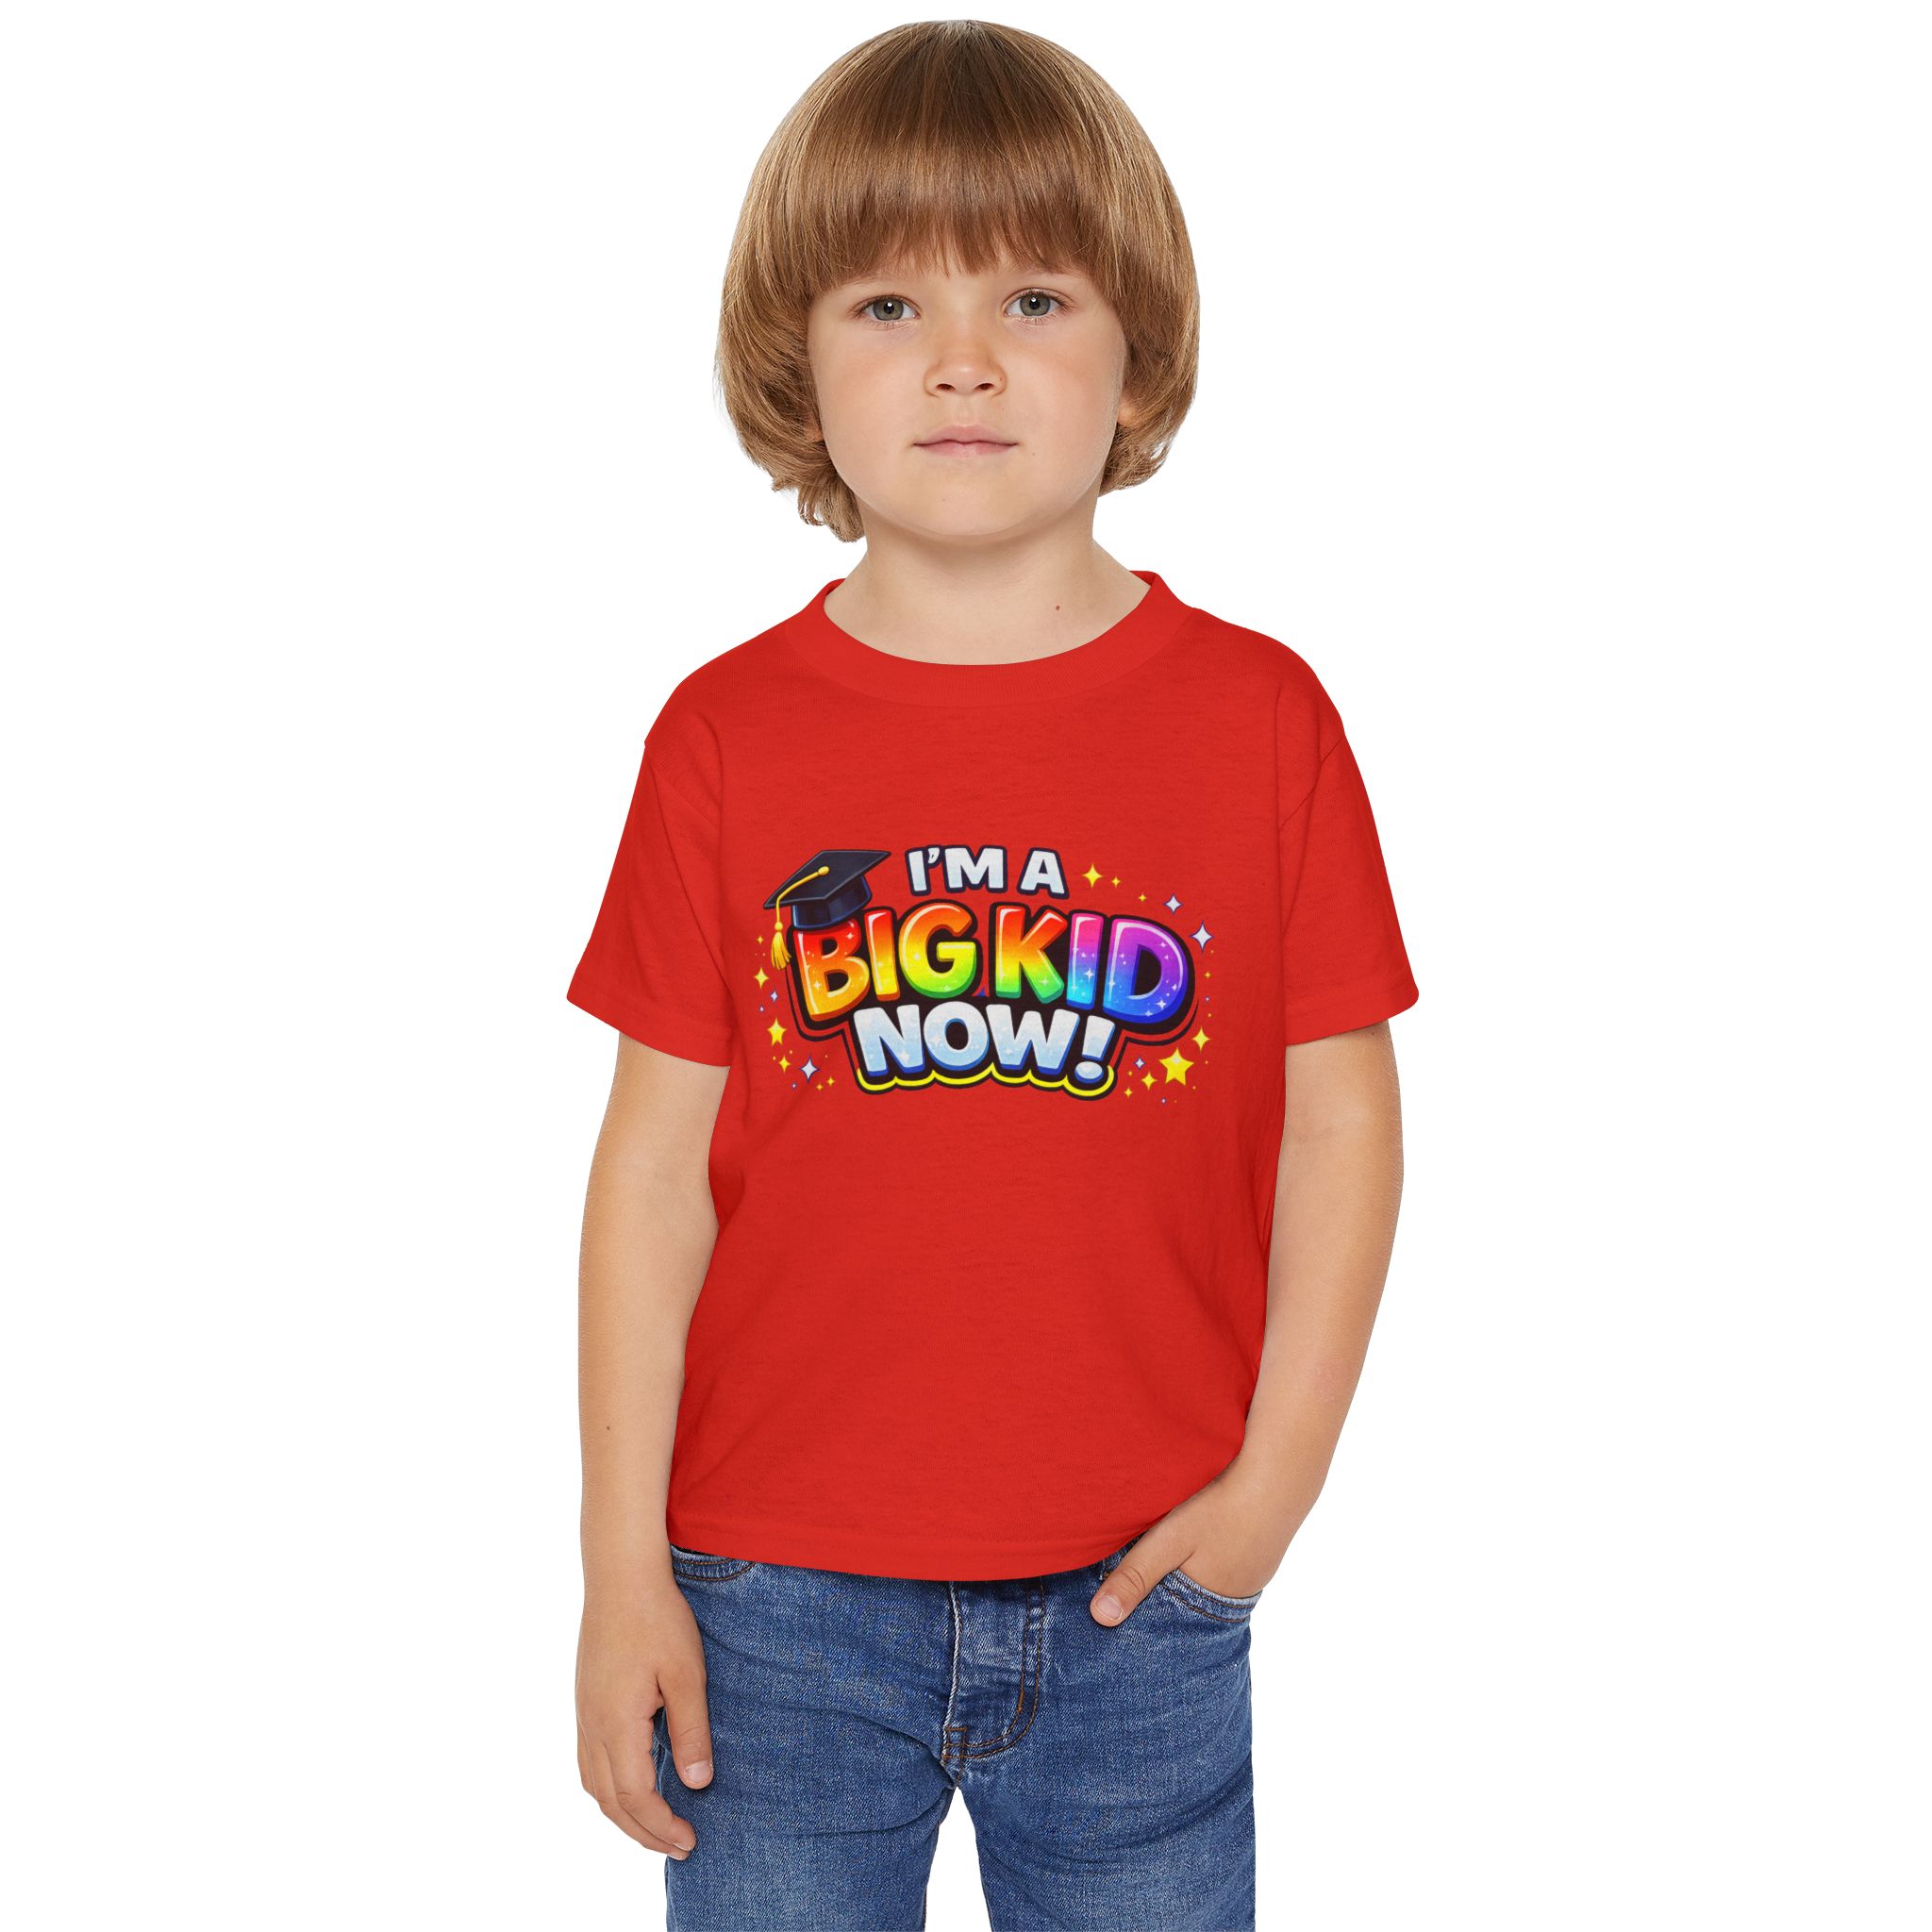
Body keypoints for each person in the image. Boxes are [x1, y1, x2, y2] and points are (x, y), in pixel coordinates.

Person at [568, 21, 1418, 1929]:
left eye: (1033, 295)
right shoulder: (724, 737)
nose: (962, 358)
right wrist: (622, 1569)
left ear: (1138, 354)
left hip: (1144, 1590)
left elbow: (1341, 1128)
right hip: (769, 1600)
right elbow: (650, 1176)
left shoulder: (1259, 722)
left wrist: (1269, 1496)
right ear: (797, 360)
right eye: (888, 302)